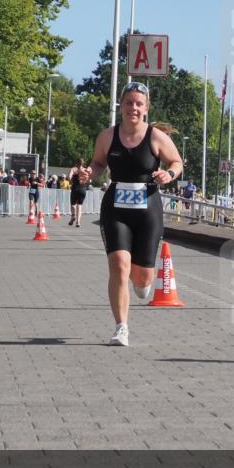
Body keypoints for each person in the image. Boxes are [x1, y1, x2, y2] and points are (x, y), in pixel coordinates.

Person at [76, 81, 183, 346]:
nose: (133, 108)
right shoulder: (107, 136)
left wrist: (167, 174)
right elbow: (99, 162)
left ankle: (143, 280)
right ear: (121, 105)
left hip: (148, 207)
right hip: (116, 207)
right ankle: (121, 327)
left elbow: (177, 162)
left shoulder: (156, 137)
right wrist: (90, 173)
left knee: (142, 278)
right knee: (119, 266)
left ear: (146, 108)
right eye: (128, 102)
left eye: (138, 104)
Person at [67, 157, 89, 227]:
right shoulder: (85, 170)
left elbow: (69, 177)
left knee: (73, 204)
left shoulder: (73, 169)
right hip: (83, 189)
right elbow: (89, 180)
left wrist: (71, 181)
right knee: (79, 205)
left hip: (75, 188)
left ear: (76, 163)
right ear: (83, 163)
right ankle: (78, 222)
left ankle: (73, 215)